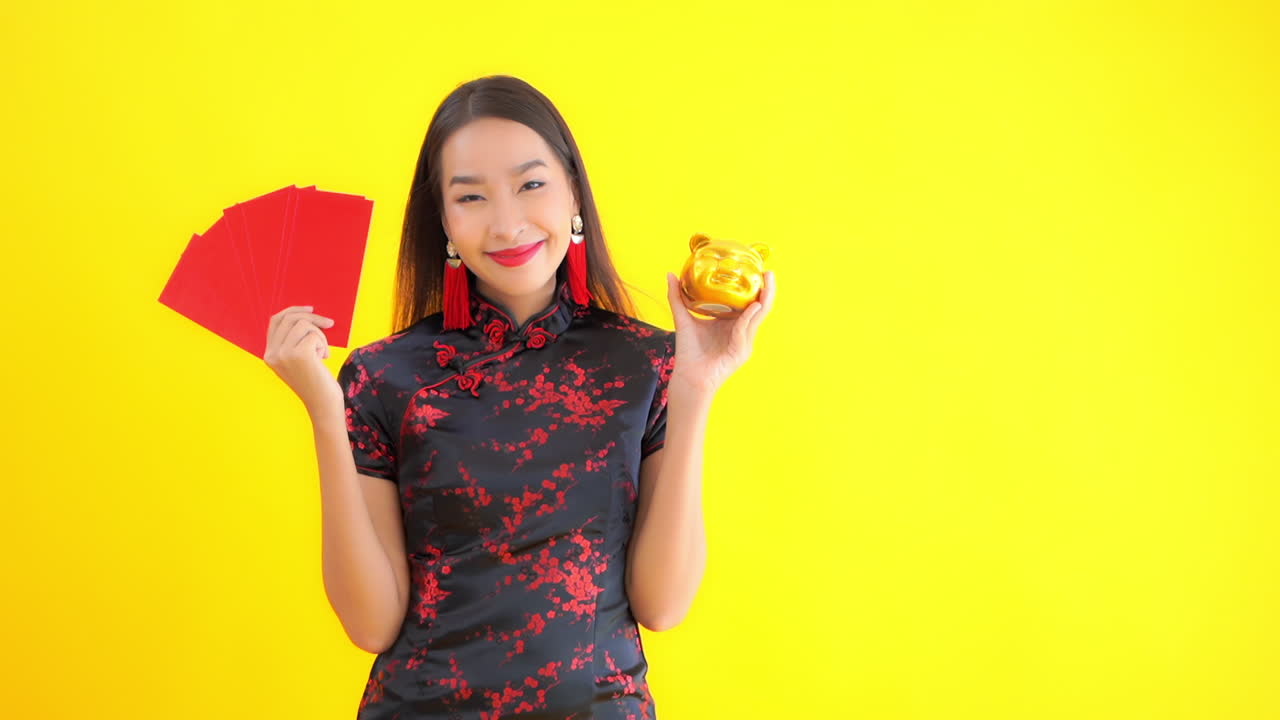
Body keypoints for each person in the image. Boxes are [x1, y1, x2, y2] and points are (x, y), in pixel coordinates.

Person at [263, 75, 775, 719]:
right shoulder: (381, 376)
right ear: (444, 220)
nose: (506, 225)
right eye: (470, 197)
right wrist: (322, 411)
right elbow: (371, 624)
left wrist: (696, 386)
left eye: (531, 185)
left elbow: (664, 605)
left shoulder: (647, 363)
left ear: (573, 193)